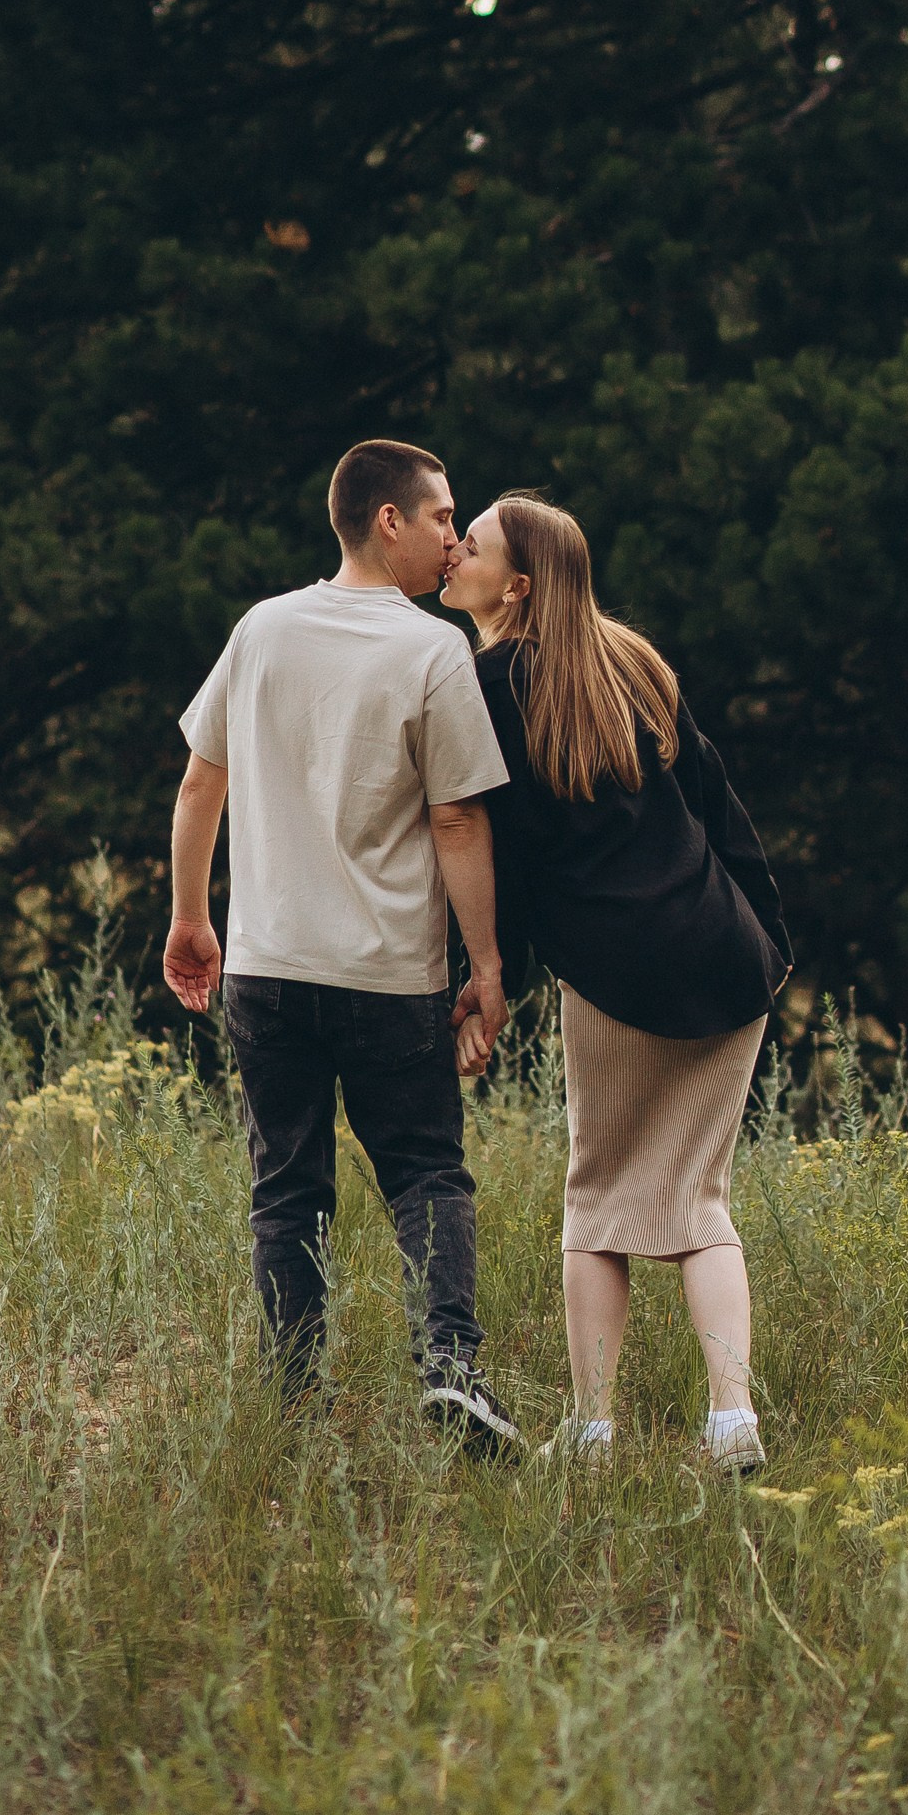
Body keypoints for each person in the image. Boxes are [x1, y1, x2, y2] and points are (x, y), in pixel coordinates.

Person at [163, 436, 521, 1450]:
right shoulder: (429, 651)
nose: (456, 534)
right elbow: (458, 822)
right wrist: (485, 966)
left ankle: (293, 1401)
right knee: (426, 1176)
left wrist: (193, 920)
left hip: (268, 970)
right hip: (387, 976)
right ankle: (450, 1371)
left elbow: (201, 784)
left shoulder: (263, 630)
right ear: (388, 519)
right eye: (444, 515)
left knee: (288, 1186)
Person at [441, 493, 792, 1473]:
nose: (451, 552)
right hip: (724, 957)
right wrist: (771, 940)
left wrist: (486, 974)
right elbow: (719, 807)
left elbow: (491, 850)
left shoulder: (491, 688)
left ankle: (592, 1434)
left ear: (514, 586)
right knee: (698, 1203)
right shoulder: (634, 665)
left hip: (618, 968)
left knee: (598, 1203)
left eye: (469, 546)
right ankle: (732, 1423)